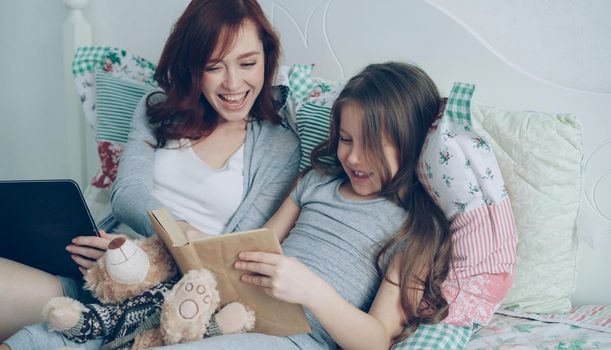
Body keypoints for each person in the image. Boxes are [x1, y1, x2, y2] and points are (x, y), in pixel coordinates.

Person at [0, 0, 300, 348]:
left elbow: (234, 254)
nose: (234, 84)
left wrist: (155, 248)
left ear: (267, 57)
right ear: (192, 68)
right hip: (97, 272)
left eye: (248, 63)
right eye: (214, 67)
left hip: (167, 300)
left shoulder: (279, 145)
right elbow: (127, 192)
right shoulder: (158, 110)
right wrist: (130, 251)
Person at [147, 62, 454, 349]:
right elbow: (255, 249)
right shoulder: (317, 182)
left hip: (293, 341)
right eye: (346, 139)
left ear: (414, 144)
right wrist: (199, 240)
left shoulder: (414, 230)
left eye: (372, 145)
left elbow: (375, 340)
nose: (355, 158)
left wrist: (311, 291)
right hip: (237, 317)